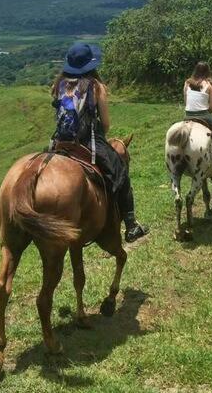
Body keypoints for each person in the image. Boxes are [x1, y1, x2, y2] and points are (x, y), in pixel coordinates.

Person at [51, 43, 149, 243]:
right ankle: (131, 225)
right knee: (121, 173)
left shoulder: (58, 84)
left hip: (60, 142)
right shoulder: (96, 87)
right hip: (87, 140)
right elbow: (105, 124)